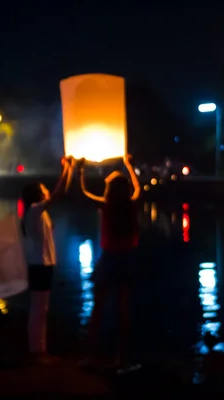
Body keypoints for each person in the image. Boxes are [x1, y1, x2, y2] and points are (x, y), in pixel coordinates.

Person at [78, 154, 141, 373]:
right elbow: (138, 190)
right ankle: (121, 358)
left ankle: (90, 356)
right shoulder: (131, 205)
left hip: (109, 259)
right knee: (124, 311)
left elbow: (82, 193)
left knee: (98, 308)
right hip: (127, 260)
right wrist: (129, 166)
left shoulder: (105, 206)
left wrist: (80, 170)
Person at [21, 157, 73, 364]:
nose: (47, 190)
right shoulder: (35, 210)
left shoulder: (38, 213)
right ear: (38, 195)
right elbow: (60, 194)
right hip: (39, 265)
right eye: (43, 188)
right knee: (38, 309)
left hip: (43, 265)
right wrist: (68, 169)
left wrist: (68, 170)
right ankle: (37, 352)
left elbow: (61, 194)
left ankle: (40, 350)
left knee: (41, 309)